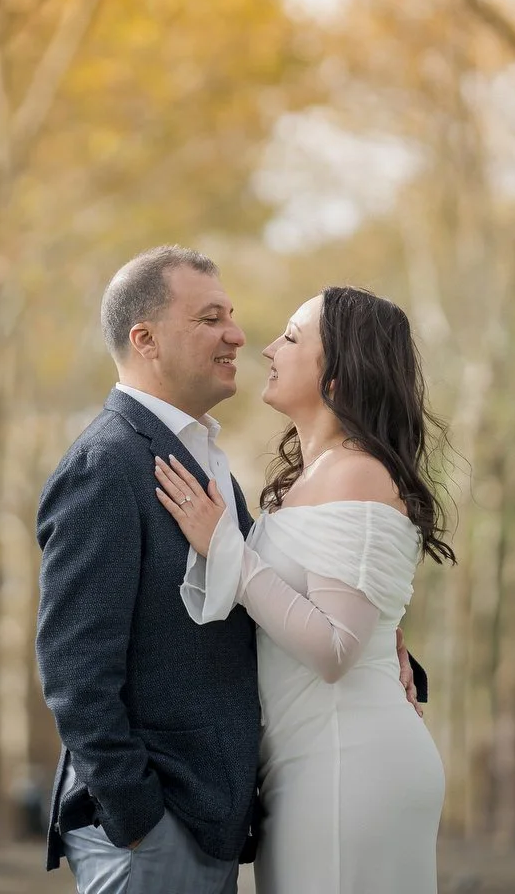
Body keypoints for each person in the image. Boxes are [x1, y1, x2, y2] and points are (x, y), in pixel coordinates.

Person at [34, 248, 422, 893]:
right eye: (211, 318)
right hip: (155, 827)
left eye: (232, 316)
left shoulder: (206, 462)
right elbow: (74, 668)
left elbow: (268, 605)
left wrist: (381, 647)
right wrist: (138, 815)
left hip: (218, 818)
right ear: (145, 340)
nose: (239, 336)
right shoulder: (107, 465)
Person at [158, 284, 451, 894]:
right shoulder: (321, 476)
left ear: (337, 378)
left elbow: (335, 648)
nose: (268, 348)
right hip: (310, 761)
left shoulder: (356, 473)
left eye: (291, 338)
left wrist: (227, 552)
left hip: (346, 764)